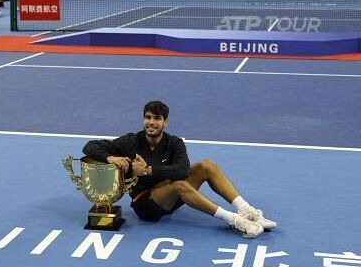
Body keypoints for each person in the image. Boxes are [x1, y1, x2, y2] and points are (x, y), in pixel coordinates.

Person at [82, 100, 277, 238]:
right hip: (146, 206)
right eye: (148, 117)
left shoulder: (174, 143)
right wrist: (111, 157)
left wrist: (148, 170)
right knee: (179, 185)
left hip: (172, 198)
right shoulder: (131, 141)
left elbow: (182, 170)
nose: (151, 122)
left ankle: (246, 211)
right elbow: (90, 146)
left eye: (157, 118)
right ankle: (234, 221)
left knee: (206, 165)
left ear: (165, 122)